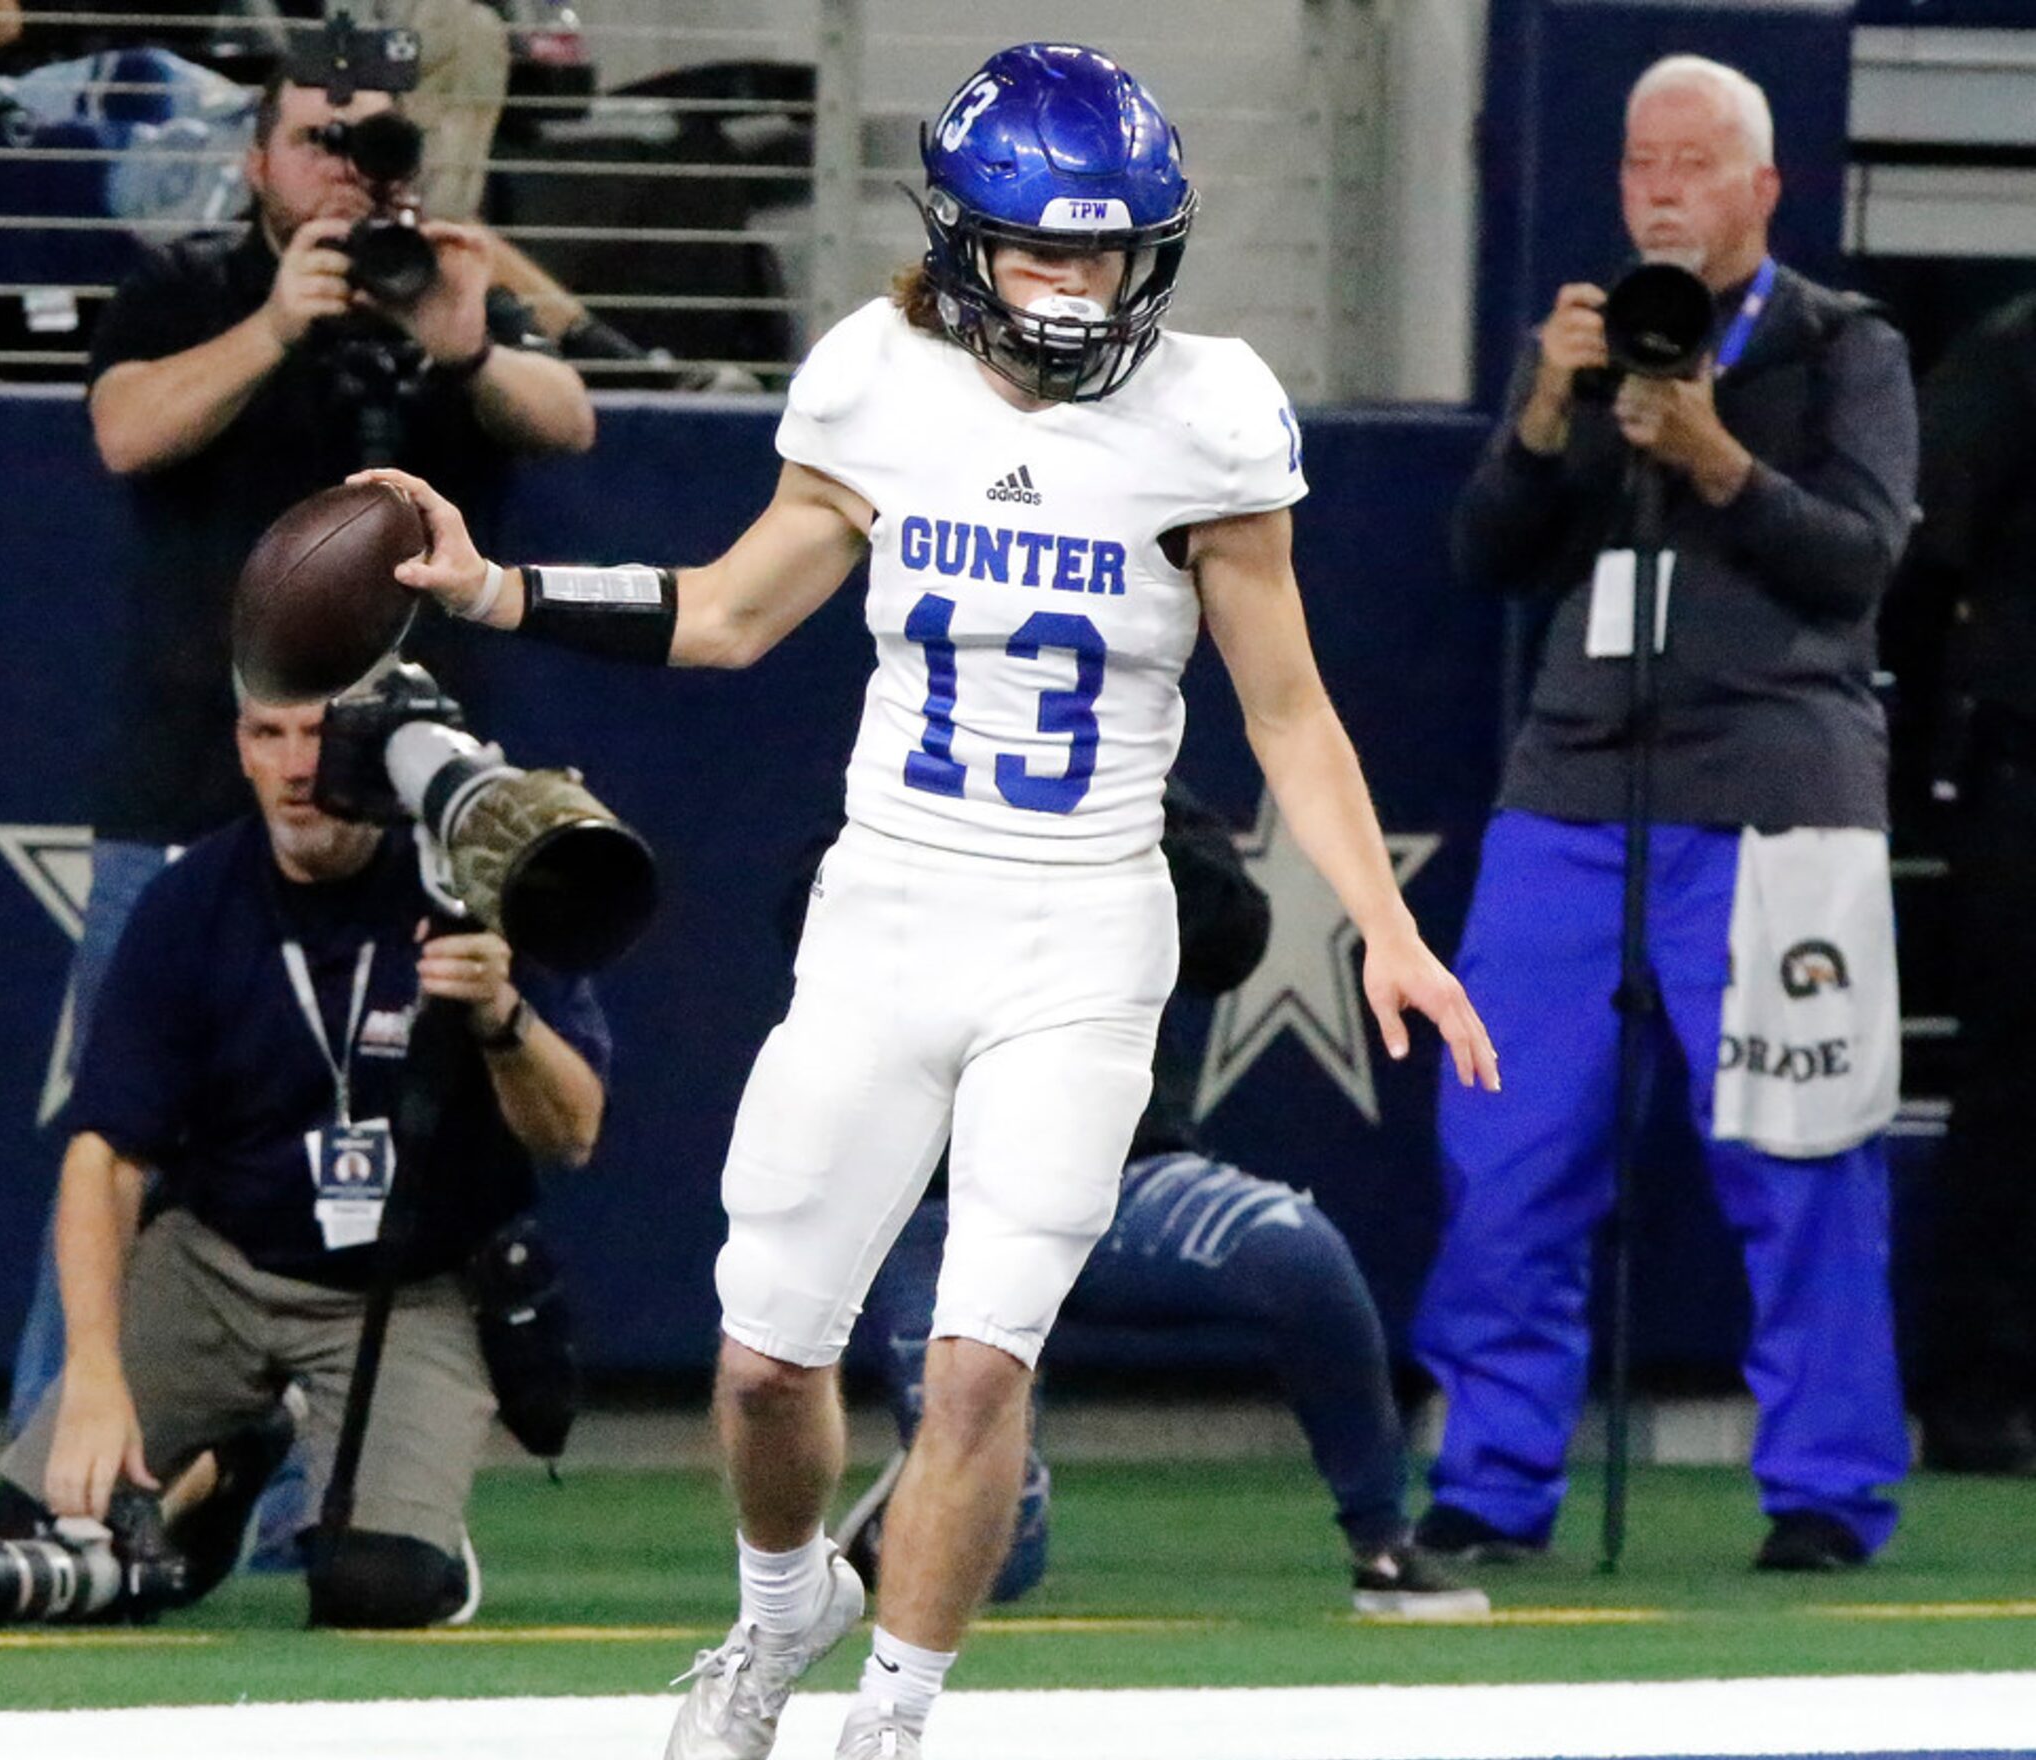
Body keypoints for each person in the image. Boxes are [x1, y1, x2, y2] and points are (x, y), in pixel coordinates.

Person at [367, 41, 1497, 1760]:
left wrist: (1383, 923)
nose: (1077, 287)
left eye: (1108, 253)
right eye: (1042, 253)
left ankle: (896, 1705)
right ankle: (779, 1607)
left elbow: (1286, 707)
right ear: (965, 243)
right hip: (889, 906)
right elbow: (731, 615)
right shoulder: (876, 381)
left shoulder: (1207, 413)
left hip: (1082, 929)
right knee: (761, 1363)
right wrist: (498, 590)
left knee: (982, 1355)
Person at [5, 63, 593, 1430]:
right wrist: (279, 324)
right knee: (118, 1144)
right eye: (316, 141)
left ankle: (311, 1497)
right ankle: (64, 1450)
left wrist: (465, 343)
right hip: (192, 800)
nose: (345, 167)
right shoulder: (188, 287)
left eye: (372, 144)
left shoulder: (446, 285)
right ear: (259, 162)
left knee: (380, 1152)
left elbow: (569, 419)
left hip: (393, 822)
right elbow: (124, 428)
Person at [1410, 55, 1917, 1573]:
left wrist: (1718, 460)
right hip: (1569, 796)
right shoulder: (1579, 346)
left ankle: (1824, 1489)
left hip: (1775, 806)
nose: (1662, 192)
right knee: (1506, 1154)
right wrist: (1544, 421)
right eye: (1641, 165)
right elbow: (1489, 558)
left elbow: (1857, 564)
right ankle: (1491, 1484)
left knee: (1798, 1152)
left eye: (1694, 166)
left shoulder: (1842, 350)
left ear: (1763, 188)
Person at [0, 691, 609, 1627]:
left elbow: (574, 1133)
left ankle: (409, 1518)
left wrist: (502, 1016)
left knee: (377, 1590)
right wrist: (94, 1374)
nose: (296, 768)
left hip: (411, 1281)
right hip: (219, 1263)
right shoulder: (192, 897)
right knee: (22, 1553)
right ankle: (224, 1471)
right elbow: (104, 1157)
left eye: (322, 736)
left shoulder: (468, 880)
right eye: (267, 734)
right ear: (238, 748)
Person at [835, 779, 1489, 1622]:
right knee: (999, 1558)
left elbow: (1233, 941)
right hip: (943, 1199)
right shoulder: (916, 772)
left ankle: (1384, 1544)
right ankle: (903, 1514)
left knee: (1299, 1250)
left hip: (1118, 1174)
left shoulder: (1130, 779)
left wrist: (1130, 832)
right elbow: (809, 917)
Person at [1891, 296, 2036, 1476]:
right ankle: (1980, 1390)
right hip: (2026, 761)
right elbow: (1923, 555)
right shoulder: (2011, 352)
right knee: (2017, 1083)